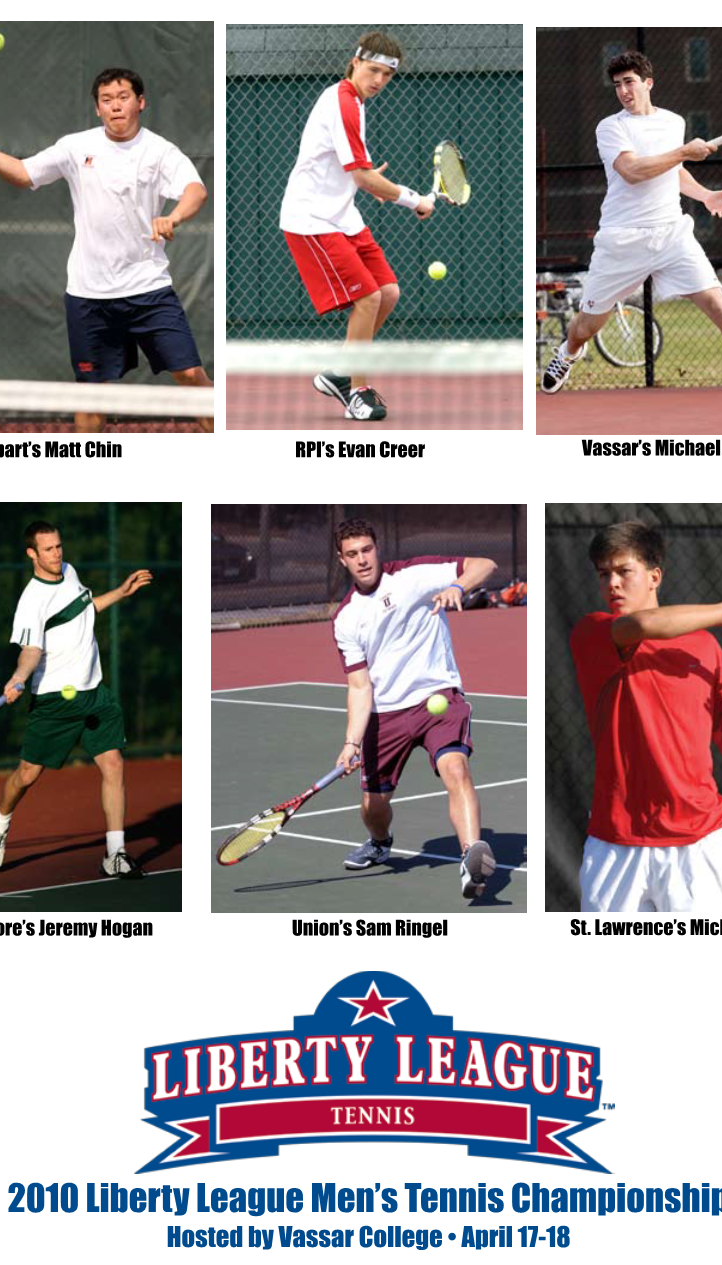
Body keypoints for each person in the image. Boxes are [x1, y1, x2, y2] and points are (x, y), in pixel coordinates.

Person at [541, 51, 722, 429]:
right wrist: (685, 150)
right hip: (622, 240)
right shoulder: (610, 128)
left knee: (720, 306)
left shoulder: (673, 122)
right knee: (586, 327)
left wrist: (704, 195)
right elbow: (634, 171)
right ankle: (568, 352)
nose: (623, 90)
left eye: (629, 82)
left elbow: (674, 169)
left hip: (672, 234)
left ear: (648, 83)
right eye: (617, 84)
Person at [0, 68, 212, 433]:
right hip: (89, 296)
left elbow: (195, 190)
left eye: (123, 97)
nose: (116, 106)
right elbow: (24, 173)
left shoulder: (160, 151)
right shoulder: (75, 147)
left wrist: (174, 216)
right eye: (107, 100)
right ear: (97, 109)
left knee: (192, 375)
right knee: (90, 397)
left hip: (148, 289)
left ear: (141, 102)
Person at [569, 520, 722, 913]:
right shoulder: (594, 632)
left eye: (624, 571)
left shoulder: (705, 648)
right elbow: (644, 625)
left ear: (654, 576)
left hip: (698, 843)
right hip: (615, 844)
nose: (612, 583)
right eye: (603, 574)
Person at [331, 517, 497, 899]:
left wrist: (457, 585)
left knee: (456, 768)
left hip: (437, 698)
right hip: (386, 713)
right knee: (374, 805)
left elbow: (484, 564)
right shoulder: (346, 619)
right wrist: (351, 743)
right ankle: (379, 841)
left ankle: (472, 860)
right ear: (342, 561)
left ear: (377, 548)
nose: (362, 560)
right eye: (352, 554)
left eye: (367, 550)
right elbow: (359, 687)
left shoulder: (412, 576)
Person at [0, 520, 152, 877]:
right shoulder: (31, 600)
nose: (57, 554)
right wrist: (18, 677)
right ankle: (0, 824)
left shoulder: (70, 572)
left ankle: (115, 854)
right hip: (55, 701)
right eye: (48, 549)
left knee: (114, 765)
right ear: (32, 554)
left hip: (94, 693)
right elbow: (30, 650)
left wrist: (120, 592)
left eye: (59, 546)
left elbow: (84, 611)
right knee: (27, 776)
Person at [279, 33, 435, 422]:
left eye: (387, 74)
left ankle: (339, 373)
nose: (379, 80)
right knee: (366, 298)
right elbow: (363, 176)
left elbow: (354, 171)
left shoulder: (356, 103)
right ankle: (357, 393)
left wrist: (362, 180)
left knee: (388, 292)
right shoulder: (343, 102)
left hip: (343, 217)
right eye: (373, 70)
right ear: (355, 62)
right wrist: (414, 199)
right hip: (311, 219)